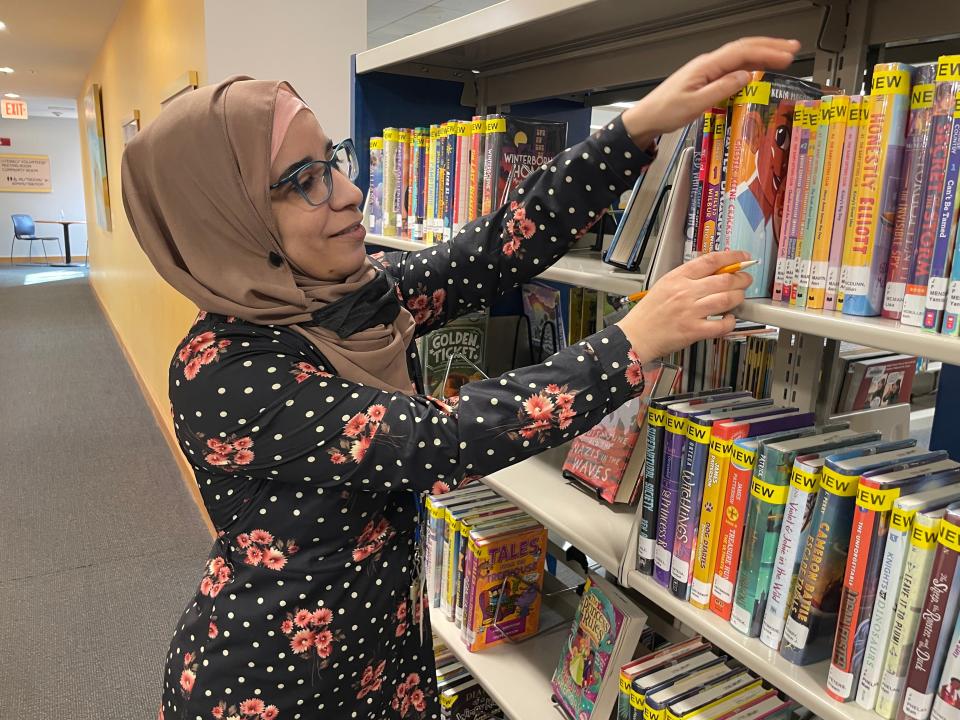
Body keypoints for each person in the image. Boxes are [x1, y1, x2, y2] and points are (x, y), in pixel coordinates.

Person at [121, 36, 799, 720]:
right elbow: (440, 442)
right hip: (277, 686)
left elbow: (500, 246)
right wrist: (631, 342)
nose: (351, 192)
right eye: (305, 181)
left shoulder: (350, 299)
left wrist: (637, 128)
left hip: (384, 651)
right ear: (229, 220)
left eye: (333, 161)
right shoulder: (223, 373)